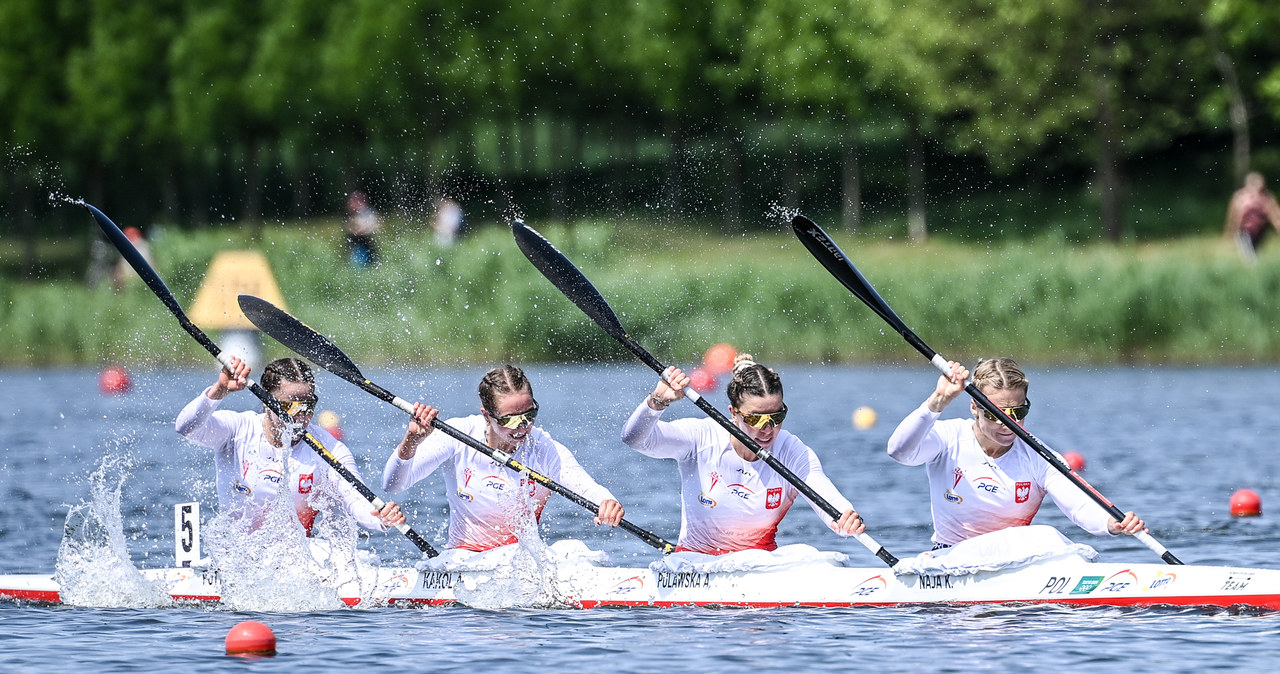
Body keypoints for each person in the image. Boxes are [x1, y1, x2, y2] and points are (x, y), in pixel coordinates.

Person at [887, 357, 1146, 550]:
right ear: (974, 407)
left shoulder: (1039, 455)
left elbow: (1078, 504)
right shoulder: (948, 438)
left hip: (1011, 560)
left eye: (1018, 413)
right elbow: (899, 451)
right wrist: (938, 400)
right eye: (995, 413)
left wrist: (1112, 524)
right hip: (950, 559)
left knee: (1051, 538)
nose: (1008, 424)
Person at [620, 355, 865, 554]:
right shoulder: (701, 437)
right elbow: (635, 439)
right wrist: (657, 402)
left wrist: (845, 520)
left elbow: (829, 503)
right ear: (733, 412)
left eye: (777, 417)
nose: (768, 429)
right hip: (696, 565)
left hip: (758, 570)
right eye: (755, 418)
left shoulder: (792, 452)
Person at [383, 365, 625, 551]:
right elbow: (393, 485)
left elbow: (585, 486)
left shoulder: (543, 448)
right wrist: (411, 441)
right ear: (487, 416)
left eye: (530, 414)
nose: (524, 426)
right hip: (465, 557)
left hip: (520, 563)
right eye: (511, 419)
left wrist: (607, 502)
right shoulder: (458, 435)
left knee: (574, 552)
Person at [176, 356, 405, 536]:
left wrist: (381, 519)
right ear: (267, 402)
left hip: (295, 564)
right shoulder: (237, 430)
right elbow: (186, 427)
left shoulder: (329, 450)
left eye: (308, 405)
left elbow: (355, 500)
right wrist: (219, 390)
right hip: (236, 559)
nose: (301, 416)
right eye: (290, 406)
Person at [1224, 172, 1280, 260]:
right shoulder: (1240, 197)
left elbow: (1276, 215)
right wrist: (1230, 233)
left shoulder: (1266, 197)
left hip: (1261, 232)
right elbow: (1233, 217)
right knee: (1250, 258)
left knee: (1256, 254)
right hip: (1244, 232)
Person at [344, 191, 381, 267]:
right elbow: (349, 229)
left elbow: (375, 226)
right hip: (356, 246)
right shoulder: (351, 214)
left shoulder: (367, 213)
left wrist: (361, 229)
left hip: (366, 245)